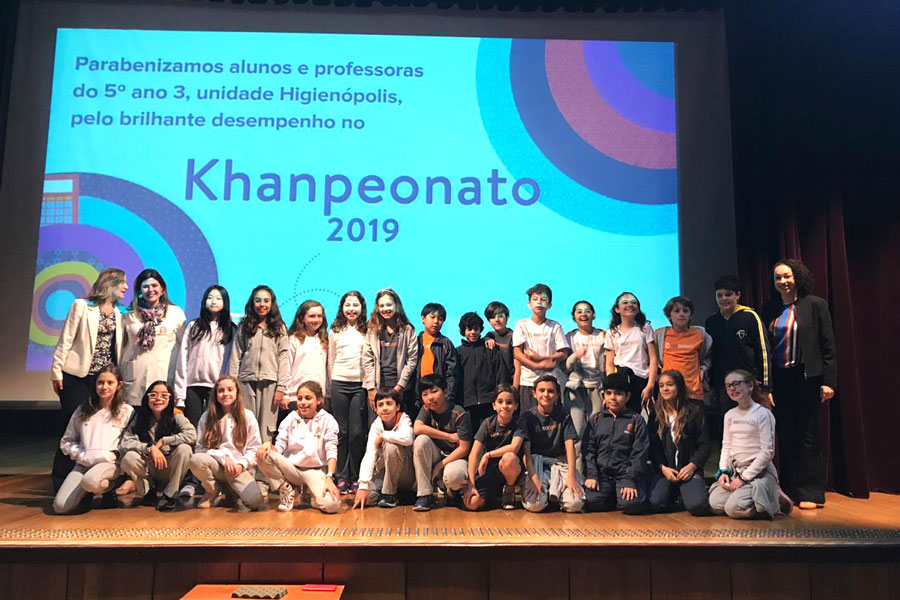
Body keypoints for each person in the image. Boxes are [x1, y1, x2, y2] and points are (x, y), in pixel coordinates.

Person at [761, 259, 836, 510]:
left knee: (807, 435)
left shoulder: (815, 305)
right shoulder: (769, 309)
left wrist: (828, 382)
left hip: (806, 379)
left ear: (797, 277)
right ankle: (790, 490)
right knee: (785, 434)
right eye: (778, 278)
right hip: (780, 380)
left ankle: (811, 492)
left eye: (787, 276)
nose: (783, 281)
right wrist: (767, 387)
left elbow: (828, 346)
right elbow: (765, 349)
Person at [50, 268, 128, 492]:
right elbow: (66, 339)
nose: (125, 287)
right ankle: (62, 482)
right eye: (122, 283)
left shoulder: (120, 313)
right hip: (77, 376)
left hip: (103, 379)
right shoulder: (82, 306)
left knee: (100, 431)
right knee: (73, 427)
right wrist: (56, 371)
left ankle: (95, 484)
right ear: (110, 283)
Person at [228, 284, 290, 490]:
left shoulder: (279, 327)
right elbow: (235, 356)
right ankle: (247, 476)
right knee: (246, 429)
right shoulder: (245, 326)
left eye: (266, 300)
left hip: (271, 384)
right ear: (252, 303)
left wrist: (281, 387)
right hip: (245, 382)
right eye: (258, 300)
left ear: (272, 304)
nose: (262, 304)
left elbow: (284, 357)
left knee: (266, 432)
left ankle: (263, 479)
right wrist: (233, 385)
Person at [708, 369, 788, 519]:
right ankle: (753, 497)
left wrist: (744, 478)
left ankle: (772, 499)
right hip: (736, 471)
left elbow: (767, 452)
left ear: (750, 386)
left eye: (737, 384)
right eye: (728, 386)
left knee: (733, 509)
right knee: (715, 505)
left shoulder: (763, 414)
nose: (732, 389)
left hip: (757, 473)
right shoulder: (729, 415)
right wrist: (724, 471)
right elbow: (727, 446)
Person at [53, 365, 134, 514]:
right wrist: (80, 454)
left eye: (110, 382)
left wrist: (115, 454)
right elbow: (66, 441)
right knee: (60, 507)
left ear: (119, 385)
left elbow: (130, 440)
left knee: (90, 481)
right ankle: (86, 494)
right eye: (100, 382)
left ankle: (109, 489)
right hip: (83, 465)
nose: (104, 387)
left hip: (109, 464)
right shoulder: (83, 410)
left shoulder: (126, 411)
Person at [256, 381, 341, 514]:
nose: (303, 402)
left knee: (332, 505)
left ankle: (309, 495)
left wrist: (330, 477)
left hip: (315, 471)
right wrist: (268, 445)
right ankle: (287, 488)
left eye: (308, 398)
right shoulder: (291, 418)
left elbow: (331, 450)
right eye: (300, 398)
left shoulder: (328, 420)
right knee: (263, 453)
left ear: (319, 400)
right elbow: (280, 447)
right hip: (292, 469)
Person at [704, 275, 772, 438]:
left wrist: (765, 386)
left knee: (752, 431)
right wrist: (712, 385)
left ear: (738, 295)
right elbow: (710, 355)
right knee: (728, 431)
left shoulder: (750, 317)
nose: (724, 299)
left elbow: (763, 351)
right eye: (719, 295)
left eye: (728, 294)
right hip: (723, 387)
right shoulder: (712, 322)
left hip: (749, 385)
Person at [189, 375, 265, 512]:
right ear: (216, 394)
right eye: (221, 391)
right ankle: (212, 489)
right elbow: (200, 449)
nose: (225, 394)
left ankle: (231, 491)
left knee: (255, 502)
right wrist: (224, 457)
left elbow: (254, 448)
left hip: (237, 469)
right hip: (216, 466)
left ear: (237, 392)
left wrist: (241, 465)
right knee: (196, 460)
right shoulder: (207, 417)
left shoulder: (247, 416)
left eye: (230, 389)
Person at [119, 380, 196, 511]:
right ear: (147, 398)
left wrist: (164, 441)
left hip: (169, 467)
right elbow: (126, 442)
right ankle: (148, 491)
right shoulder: (140, 417)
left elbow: (192, 435)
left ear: (170, 399)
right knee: (129, 458)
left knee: (185, 449)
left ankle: (170, 495)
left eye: (164, 395)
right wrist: (150, 448)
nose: (158, 399)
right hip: (148, 467)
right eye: (153, 395)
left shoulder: (176, 416)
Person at [582, 372, 649, 514]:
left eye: (618, 394)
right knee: (591, 501)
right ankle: (613, 495)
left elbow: (640, 454)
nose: (613, 398)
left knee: (631, 505)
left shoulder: (636, 420)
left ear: (627, 396)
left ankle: (621, 495)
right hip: (602, 475)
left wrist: (630, 480)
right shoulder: (596, 419)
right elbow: (588, 450)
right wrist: (592, 475)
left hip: (626, 475)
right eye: (608, 393)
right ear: (603, 396)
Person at [647, 370, 711, 516]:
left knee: (698, 506)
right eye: (661, 385)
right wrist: (662, 468)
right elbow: (653, 447)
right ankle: (675, 495)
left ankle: (683, 495)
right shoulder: (656, 413)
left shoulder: (695, 411)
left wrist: (692, 466)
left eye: (670, 385)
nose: (665, 389)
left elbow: (705, 445)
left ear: (679, 387)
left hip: (688, 470)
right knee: (655, 503)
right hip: (665, 470)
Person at [120, 269, 186, 406]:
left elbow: (185, 348)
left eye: (154, 286)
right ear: (139, 290)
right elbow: (120, 346)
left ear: (162, 289)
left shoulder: (175, 313)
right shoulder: (128, 314)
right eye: (145, 286)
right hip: (135, 378)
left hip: (164, 376)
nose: (150, 290)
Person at [520, 375, 584, 513]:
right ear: (534, 394)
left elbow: (570, 447)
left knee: (575, 504)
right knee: (535, 505)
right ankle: (546, 495)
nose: (546, 394)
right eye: (541, 390)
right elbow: (526, 453)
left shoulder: (564, 416)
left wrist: (571, 476)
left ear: (557, 395)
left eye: (550, 391)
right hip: (536, 464)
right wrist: (533, 478)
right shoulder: (527, 417)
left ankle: (556, 495)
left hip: (558, 462)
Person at [174, 285, 235, 427]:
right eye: (210, 298)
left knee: (214, 426)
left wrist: (227, 385)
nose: (214, 301)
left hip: (217, 386)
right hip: (192, 385)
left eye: (218, 298)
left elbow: (232, 360)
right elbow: (183, 358)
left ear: (225, 302)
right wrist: (180, 396)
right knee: (193, 425)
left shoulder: (231, 329)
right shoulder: (193, 326)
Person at [327, 291, 369, 494]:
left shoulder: (367, 330)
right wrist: (329, 389)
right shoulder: (335, 330)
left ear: (362, 308)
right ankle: (342, 477)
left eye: (355, 305)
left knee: (357, 433)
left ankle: (357, 476)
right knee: (341, 432)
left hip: (359, 385)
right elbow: (331, 360)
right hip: (339, 383)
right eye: (348, 305)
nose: (351, 309)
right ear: (342, 307)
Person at [412, 374, 472, 511]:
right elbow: (417, 428)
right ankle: (424, 495)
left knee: (454, 476)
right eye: (425, 394)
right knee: (420, 441)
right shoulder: (426, 409)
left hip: (455, 457)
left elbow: (464, 448)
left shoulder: (459, 413)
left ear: (446, 393)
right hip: (436, 454)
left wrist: (439, 466)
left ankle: (452, 492)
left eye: (434, 391)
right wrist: (449, 437)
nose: (430, 398)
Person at [463, 384, 526, 511]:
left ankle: (509, 490)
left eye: (509, 402)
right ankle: (492, 497)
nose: (504, 406)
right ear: (494, 405)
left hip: (512, 469)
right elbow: (473, 454)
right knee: (472, 503)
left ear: (516, 406)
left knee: (509, 457)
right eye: (500, 402)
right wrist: (471, 484)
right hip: (491, 471)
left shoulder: (520, 422)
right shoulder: (487, 423)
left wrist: (488, 454)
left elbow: (514, 447)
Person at [352, 388, 415, 509]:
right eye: (380, 405)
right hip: (385, 471)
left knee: (391, 446)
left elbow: (408, 438)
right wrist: (363, 485)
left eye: (389, 404)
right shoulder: (376, 425)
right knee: (367, 498)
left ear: (397, 407)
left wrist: (384, 436)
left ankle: (390, 495)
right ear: (375, 409)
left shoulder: (404, 419)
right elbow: (370, 454)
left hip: (406, 472)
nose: (385, 408)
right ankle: (399, 495)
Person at [513, 283, 571, 412]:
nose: (539, 302)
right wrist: (536, 365)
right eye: (535, 299)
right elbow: (517, 353)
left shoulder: (555, 326)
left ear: (549, 305)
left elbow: (563, 353)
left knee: (553, 418)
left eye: (543, 299)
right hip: (528, 381)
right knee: (528, 418)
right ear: (529, 304)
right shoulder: (521, 324)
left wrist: (542, 358)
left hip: (550, 381)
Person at [363, 288, 418, 423]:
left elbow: (412, 360)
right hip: (377, 385)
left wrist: (400, 387)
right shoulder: (372, 329)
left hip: (399, 386)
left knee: (399, 426)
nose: (385, 309)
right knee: (376, 427)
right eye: (381, 306)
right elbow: (367, 359)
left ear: (396, 306)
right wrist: (371, 388)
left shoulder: (407, 330)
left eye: (389, 305)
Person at [564, 300, 606, 471]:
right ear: (573, 317)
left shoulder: (603, 335)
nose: (583, 314)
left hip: (598, 388)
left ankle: (596, 473)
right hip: (576, 389)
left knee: (597, 432)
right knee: (577, 432)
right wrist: (575, 357)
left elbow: (609, 363)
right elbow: (565, 367)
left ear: (593, 315)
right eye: (579, 311)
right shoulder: (569, 337)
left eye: (587, 311)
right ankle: (577, 475)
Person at [603, 292, 657, 414]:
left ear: (638, 309)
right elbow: (609, 364)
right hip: (621, 379)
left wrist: (650, 385)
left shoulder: (645, 328)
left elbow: (653, 358)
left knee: (642, 416)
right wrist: (610, 387)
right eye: (625, 303)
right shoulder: (612, 332)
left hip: (642, 379)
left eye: (633, 303)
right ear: (617, 309)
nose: (630, 305)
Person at [653, 296, 712, 402]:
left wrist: (703, 370)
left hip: (693, 391)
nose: (681, 314)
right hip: (669, 392)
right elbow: (653, 358)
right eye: (676, 311)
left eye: (685, 311)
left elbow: (708, 357)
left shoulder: (700, 334)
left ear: (690, 315)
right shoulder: (660, 334)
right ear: (669, 316)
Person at [283, 300, 329, 424]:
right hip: (296, 397)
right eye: (312, 316)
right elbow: (286, 368)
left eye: (319, 316)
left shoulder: (324, 340)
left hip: (319, 398)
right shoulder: (294, 340)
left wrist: (327, 395)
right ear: (302, 318)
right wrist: (285, 394)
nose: (316, 320)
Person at [457, 311, 503, 432]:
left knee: (489, 435)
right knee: (470, 437)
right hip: (467, 404)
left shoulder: (490, 348)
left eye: (476, 329)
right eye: (469, 329)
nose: (473, 332)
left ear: (480, 330)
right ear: (463, 330)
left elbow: (500, 374)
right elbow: (455, 378)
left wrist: (498, 396)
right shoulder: (458, 352)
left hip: (488, 402)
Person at [414, 302, 458, 411]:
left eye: (440, 319)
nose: (436, 322)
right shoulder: (415, 342)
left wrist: (449, 396)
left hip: (440, 398)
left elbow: (452, 373)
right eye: (432, 317)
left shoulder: (445, 343)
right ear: (423, 318)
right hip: (417, 398)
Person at [483, 301, 518, 387]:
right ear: (488, 321)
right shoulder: (489, 336)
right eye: (492, 317)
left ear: (507, 317)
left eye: (500, 316)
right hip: (493, 386)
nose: (496, 320)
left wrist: (515, 388)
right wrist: (486, 339)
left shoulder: (515, 336)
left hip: (510, 384)